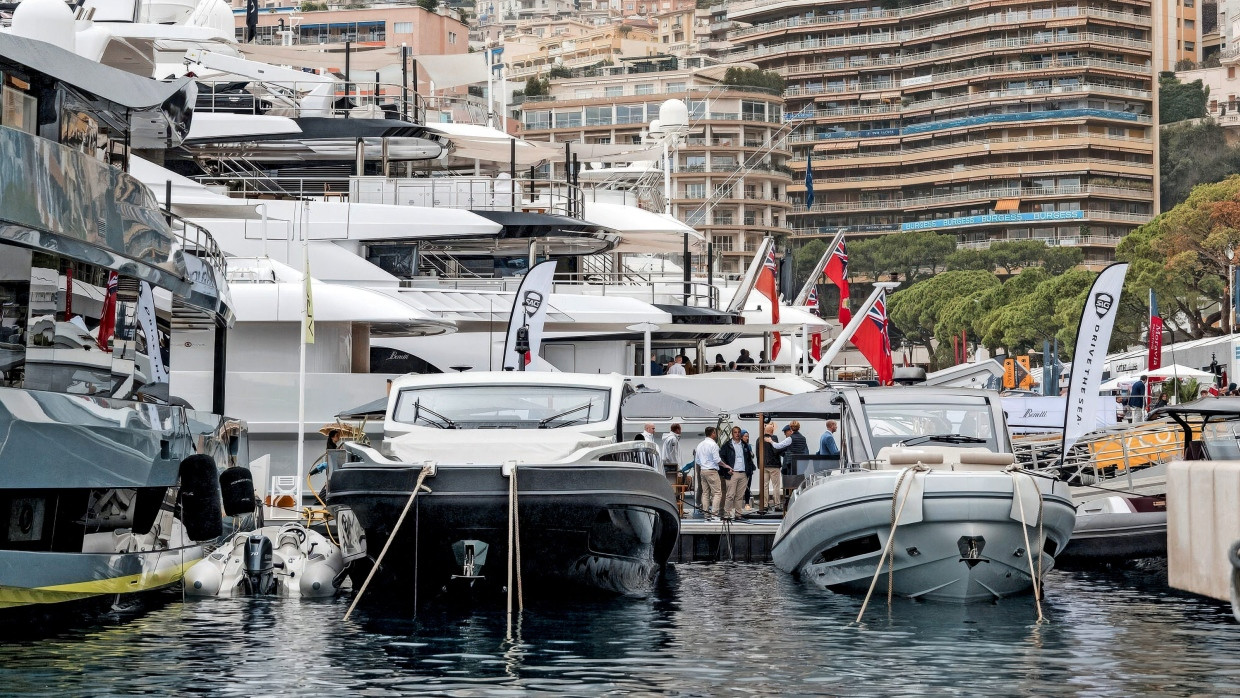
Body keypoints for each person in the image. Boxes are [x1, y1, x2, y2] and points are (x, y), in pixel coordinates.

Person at [694, 426, 723, 520]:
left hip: (703, 471)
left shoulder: (700, 444)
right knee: (717, 493)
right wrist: (726, 466)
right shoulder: (713, 445)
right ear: (713, 433)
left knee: (705, 493)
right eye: (715, 433)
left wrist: (704, 464)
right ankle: (714, 515)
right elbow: (717, 459)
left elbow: (697, 460)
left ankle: (706, 515)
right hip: (712, 471)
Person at [719, 426, 747, 520]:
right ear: (732, 433)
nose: (737, 434)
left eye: (739, 432)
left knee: (739, 496)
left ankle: (738, 514)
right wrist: (727, 470)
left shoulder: (744, 445)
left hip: (743, 473)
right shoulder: (727, 445)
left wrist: (749, 472)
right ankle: (727, 514)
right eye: (735, 432)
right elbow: (721, 458)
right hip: (732, 473)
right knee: (730, 495)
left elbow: (749, 459)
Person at [760, 423, 784, 512]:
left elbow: (758, 453)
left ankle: (765, 505)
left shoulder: (759, 439)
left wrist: (760, 465)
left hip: (764, 466)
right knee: (776, 486)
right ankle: (777, 505)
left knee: (764, 486)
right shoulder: (774, 438)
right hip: (774, 466)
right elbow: (776, 450)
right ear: (772, 431)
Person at [739, 430, 757, 511]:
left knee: (747, 486)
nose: (747, 438)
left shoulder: (748, 446)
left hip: (748, 469)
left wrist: (751, 453)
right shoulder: (739, 445)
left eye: (747, 436)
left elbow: (751, 456)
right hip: (741, 469)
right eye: (745, 436)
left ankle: (747, 503)